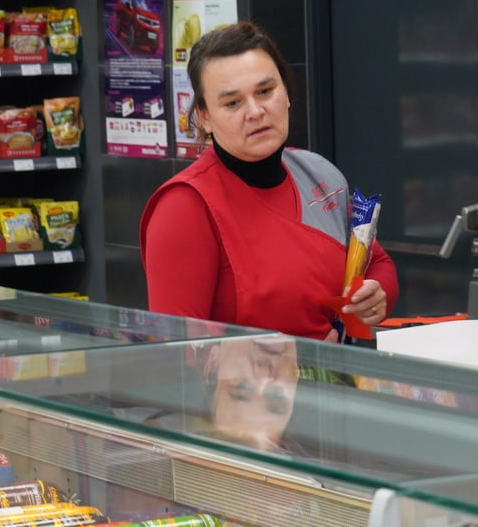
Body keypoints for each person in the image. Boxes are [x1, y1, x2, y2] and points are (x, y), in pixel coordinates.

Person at [141, 22, 397, 340]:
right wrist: (293, 360)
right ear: (204, 117)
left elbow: (377, 263)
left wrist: (375, 294)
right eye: (232, 103)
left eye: (265, 91)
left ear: (286, 92)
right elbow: (176, 348)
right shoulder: (184, 207)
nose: (255, 111)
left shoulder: (320, 174)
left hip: (334, 372)